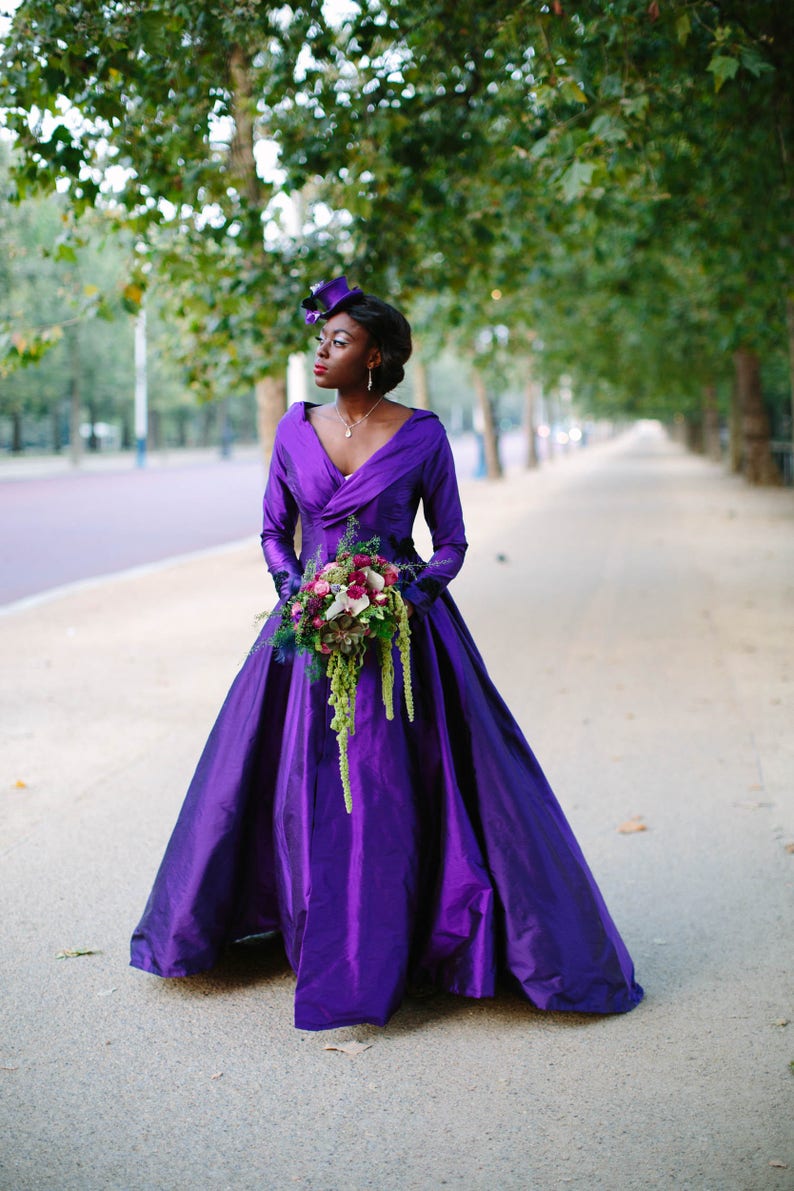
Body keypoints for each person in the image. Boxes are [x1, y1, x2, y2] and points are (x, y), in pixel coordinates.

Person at [130, 276, 643, 1030]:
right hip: (306, 632)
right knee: (288, 784)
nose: (321, 351)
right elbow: (276, 530)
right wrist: (296, 591)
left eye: (338, 341)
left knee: (399, 790)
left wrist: (403, 598)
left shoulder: (424, 434)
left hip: (405, 640)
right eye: (320, 339)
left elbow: (452, 544)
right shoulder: (294, 429)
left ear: (375, 356)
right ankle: (306, 924)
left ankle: (404, 943)